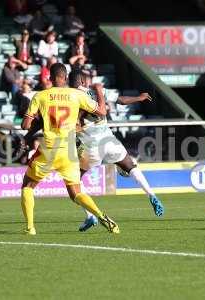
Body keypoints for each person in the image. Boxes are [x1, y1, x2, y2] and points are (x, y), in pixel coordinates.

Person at [24, 71, 165, 232]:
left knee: (75, 184)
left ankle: (90, 216)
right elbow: (121, 100)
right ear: (84, 81)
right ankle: (151, 194)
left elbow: (53, 121)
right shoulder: (98, 92)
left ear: (69, 82)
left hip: (90, 146)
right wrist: (139, 98)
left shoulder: (71, 96)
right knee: (131, 166)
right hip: (109, 140)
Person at [20, 63, 119, 235]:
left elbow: (25, 125)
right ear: (65, 77)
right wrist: (100, 93)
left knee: (27, 186)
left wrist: (31, 117)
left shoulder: (40, 96)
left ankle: (30, 228)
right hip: (69, 151)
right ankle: (102, 217)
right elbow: (102, 112)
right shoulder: (76, 95)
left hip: (49, 149)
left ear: (50, 78)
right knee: (75, 193)